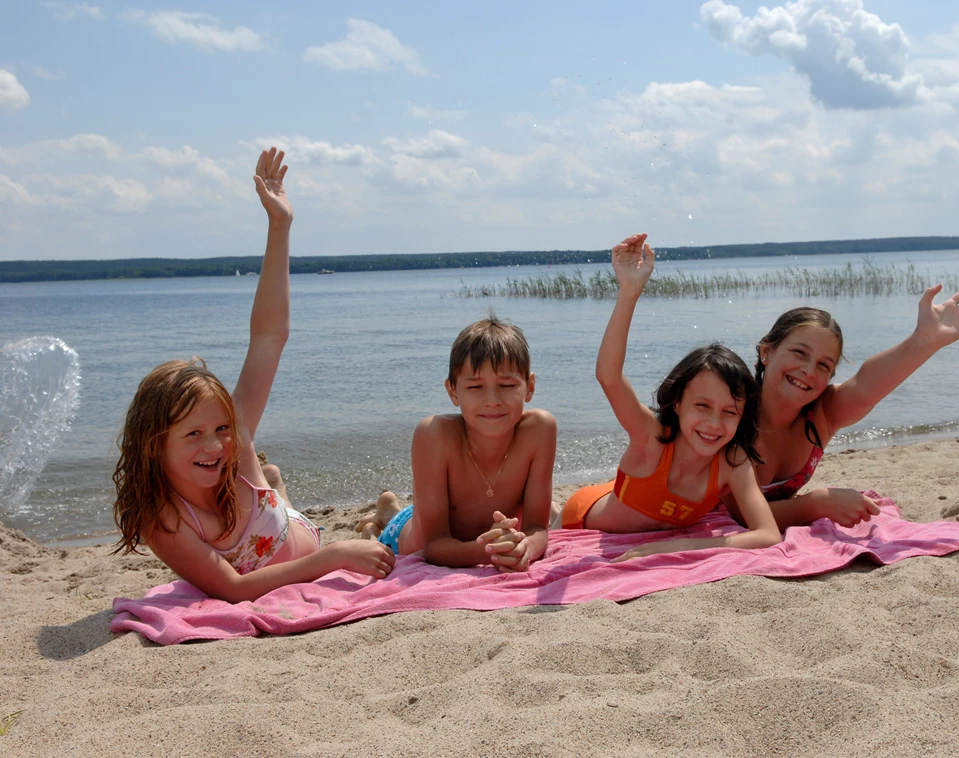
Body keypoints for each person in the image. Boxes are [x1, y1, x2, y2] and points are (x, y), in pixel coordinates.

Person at [111, 147, 395, 602]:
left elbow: (269, 337)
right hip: (309, 551)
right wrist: (336, 555)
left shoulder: (234, 444)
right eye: (194, 434)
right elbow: (234, 589)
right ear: (153, 442)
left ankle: (286, 490)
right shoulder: (164, 519)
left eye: (222, 428)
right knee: (355, 534)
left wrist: (279, 225)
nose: (215, 444)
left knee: (390, 531)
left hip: (294, 531)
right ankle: (278, 487)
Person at [560, 233, 782, 562]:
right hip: (585, 512)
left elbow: (768, 535)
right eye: (702, 406)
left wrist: (679, 546)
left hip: (632, 500)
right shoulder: (651, 437)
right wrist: (629, 291)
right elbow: (608, 376)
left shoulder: (732, 461)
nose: (713, 423)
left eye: (729, 412)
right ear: (678, 404)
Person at [751, 282, 959, 529]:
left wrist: (924, 340)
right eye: (800, 353)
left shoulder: (821, 415)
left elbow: (865, 384)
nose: (808, 371)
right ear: (766, 351)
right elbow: (741, 514)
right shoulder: (729, 410)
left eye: (824, 365)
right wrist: (816, 504)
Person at [355, 315, 557, 572]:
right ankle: (386, 517)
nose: (492, 400)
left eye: (507, 384)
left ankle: (389, 509)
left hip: (466, 531)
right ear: (452, 391)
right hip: (406, 537)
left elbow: (537, 528)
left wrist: (525, 548)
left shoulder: (540, 430)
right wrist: (491, 551)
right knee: (395, 528)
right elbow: (432, 546)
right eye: (475, 387)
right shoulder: (434, 435)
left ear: (529, 386)